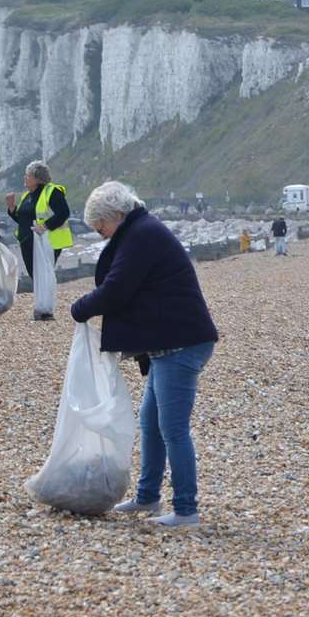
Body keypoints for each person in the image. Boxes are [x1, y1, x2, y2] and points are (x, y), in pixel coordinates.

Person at [71, 181, 220, 529]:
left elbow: (117, 289)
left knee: (173, 429)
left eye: (101, 226)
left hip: (181, 345)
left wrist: (80, 309)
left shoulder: (142, 236)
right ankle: (148, 496)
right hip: (167, 344)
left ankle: (186, 510)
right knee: (150, 423)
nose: (100, 234)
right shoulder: (140, 231)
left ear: (117, 216)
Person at [5, 161, 72, 319]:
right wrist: (12, 208)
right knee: (35, 274)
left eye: (27, 175)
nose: (25, 178)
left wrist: (46, 226)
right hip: (27, 241)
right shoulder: (27, 195)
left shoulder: (52, 191)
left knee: (45, 274)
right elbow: (22, 219)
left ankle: (45, 311)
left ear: (37, 178)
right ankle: (41, 307)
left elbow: (63, 212)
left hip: (46, 242)